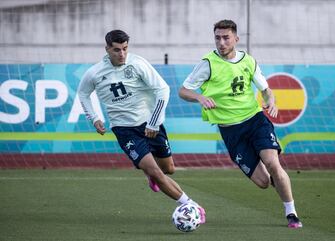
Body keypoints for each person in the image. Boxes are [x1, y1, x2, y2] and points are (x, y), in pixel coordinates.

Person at [179, 20, 302, 228]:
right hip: (231, 131)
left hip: (255, 121)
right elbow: (183, 91)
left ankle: (291, 213)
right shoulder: (207, 64)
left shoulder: (248, 61)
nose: (221, 42)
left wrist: (270, 100)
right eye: (217, 37)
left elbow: (265, 89)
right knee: (263, 182)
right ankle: (277, 180)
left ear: (236, 39)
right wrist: (200, 98)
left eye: (226, 37)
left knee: (273, 162)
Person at [77, 29, 205, 223]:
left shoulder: (137, 63)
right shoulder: (94, 73)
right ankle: (191, 206)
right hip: (124, 130)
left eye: (125, 49)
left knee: (168, 169)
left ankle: (153, 176)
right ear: (107, 49)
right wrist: (94, 117)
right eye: (117, 50)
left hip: (150, 124)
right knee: (154, 170)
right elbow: (83, 93)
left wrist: (154, 122)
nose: (122, 54)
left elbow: (163, 90)